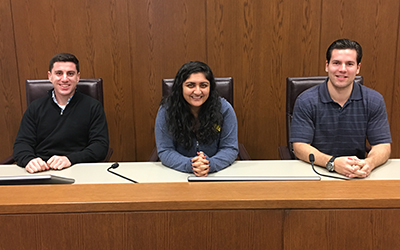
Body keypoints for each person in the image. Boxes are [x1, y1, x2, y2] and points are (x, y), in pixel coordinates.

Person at [290, 39, 392, 178]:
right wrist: (332, 163)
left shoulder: (374, 100)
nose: (342, 69)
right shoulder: (306, 100)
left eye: (349, 64)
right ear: (327, 66)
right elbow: (300, 147)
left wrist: (369, 163)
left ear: (358, 68)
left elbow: (382, 146)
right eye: (336, 63)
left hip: (356, 174)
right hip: (316, 173)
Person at [13, 53, 109, 174]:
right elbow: (22, 144)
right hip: (41, 170)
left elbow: (100, 146)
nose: (64, 79)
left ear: (78, 77)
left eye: (70, 73)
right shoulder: (35, 107)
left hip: (78, 169)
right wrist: (29, 160)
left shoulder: (93, 107)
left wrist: (70, 159)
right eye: (59, 73)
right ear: (50, 76)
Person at [155, 61, 239, 176]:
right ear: (181, 87)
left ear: (211, 87)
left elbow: (229, 148)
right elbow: (165, 150)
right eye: (190, 85)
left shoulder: (224, 109)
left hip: (216, 174)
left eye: (203, 85)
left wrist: (210, 164)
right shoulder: (167, 110)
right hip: (178, 174)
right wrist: (190, 165)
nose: (198, 91)